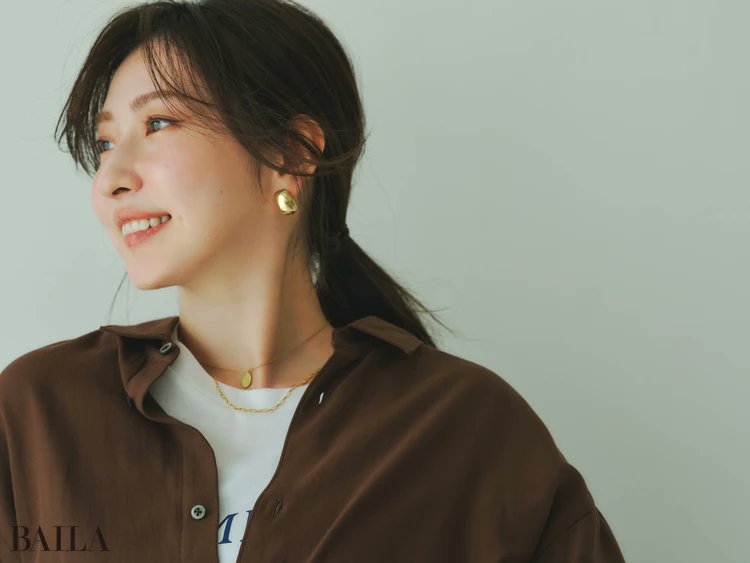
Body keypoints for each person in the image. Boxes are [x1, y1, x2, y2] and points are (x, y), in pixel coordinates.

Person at [0, 0, 627, 561]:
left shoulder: (467, 431)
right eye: (105, 144)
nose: (111, 179)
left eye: (158, 123)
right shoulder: (38, 414)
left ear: (292, 154)